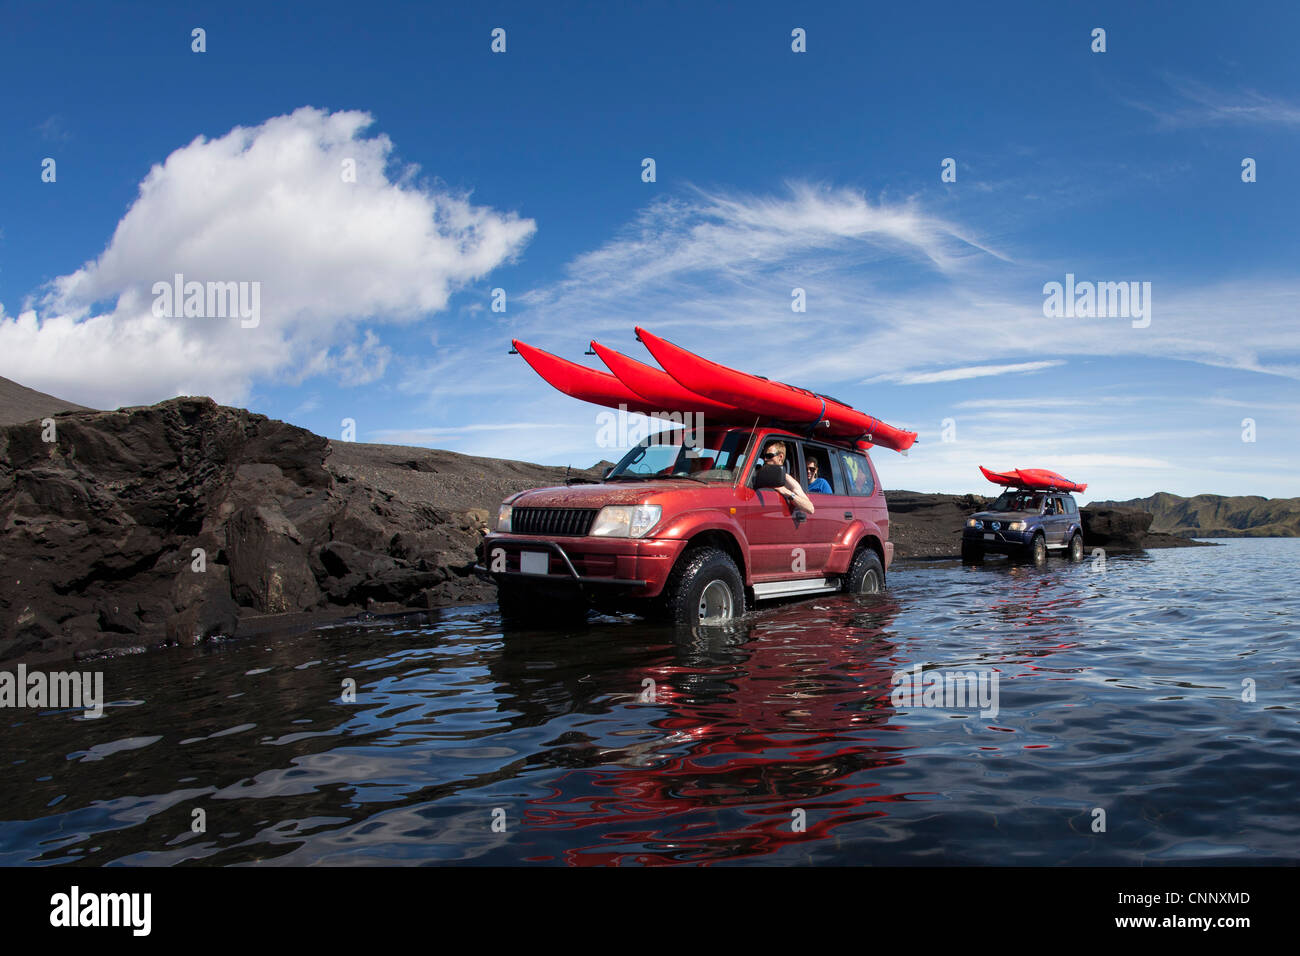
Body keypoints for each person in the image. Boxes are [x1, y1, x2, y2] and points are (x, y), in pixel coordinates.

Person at [759, 441, 814, 514]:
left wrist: (786, 492)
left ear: (780, 457)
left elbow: (810, 508)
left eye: (769, 456)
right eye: (763, 456)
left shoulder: (787, 479)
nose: (765, 459)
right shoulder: (760, 474)